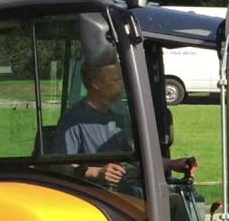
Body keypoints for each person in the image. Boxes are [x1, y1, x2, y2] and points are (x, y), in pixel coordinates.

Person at [57, 61, 197, 184]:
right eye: (116, 80)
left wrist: (172, 164)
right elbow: (60, 167)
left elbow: (135, 158)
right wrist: (96, 172)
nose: (122, 85)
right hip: (94, 194)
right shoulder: (73, 120)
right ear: (96, 84)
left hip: (127, 187)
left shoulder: (117, 117)